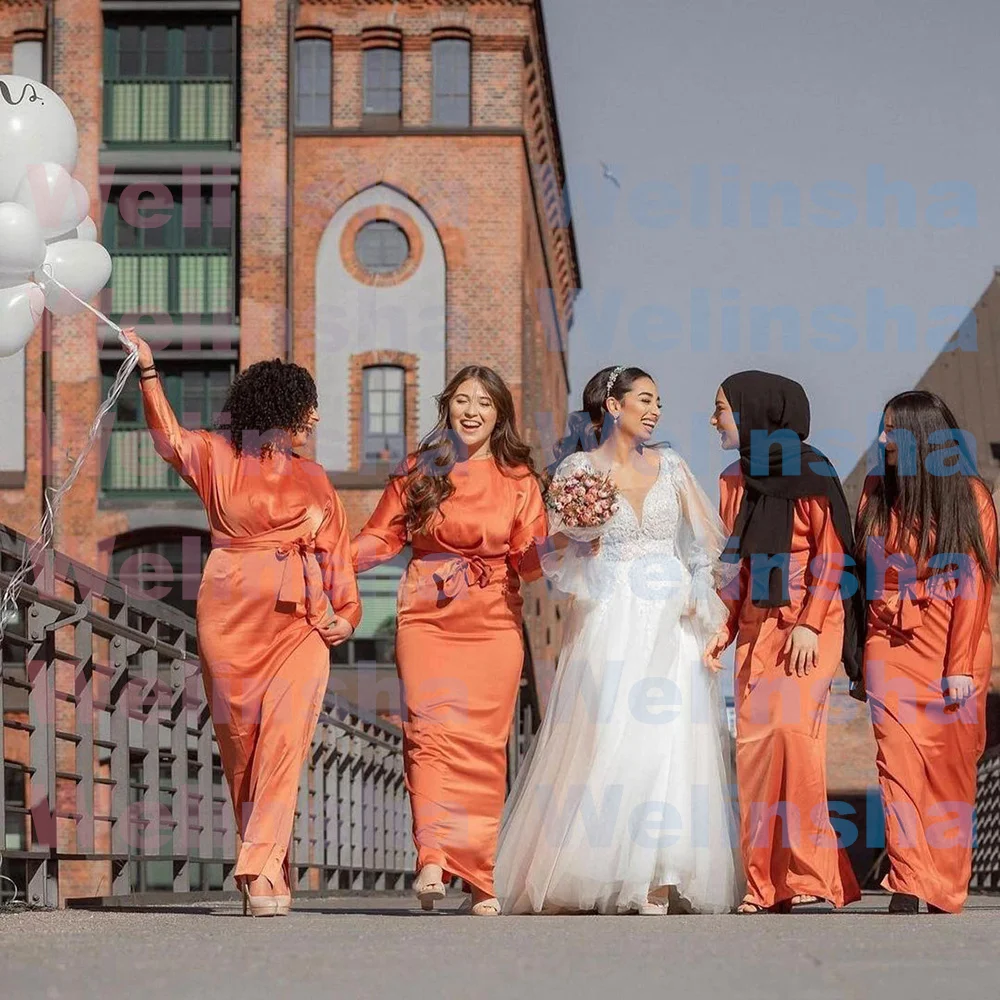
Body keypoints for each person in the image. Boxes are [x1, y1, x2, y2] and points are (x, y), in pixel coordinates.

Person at [121, 329, 360, 917]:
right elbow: (169, 440)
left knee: (285, 740)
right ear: (281, 408)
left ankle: (253, 868)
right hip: (230, 615)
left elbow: (338, 556)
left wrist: (346, 616)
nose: (316, 417)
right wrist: (149, 373)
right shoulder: (216, 455)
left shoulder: (317, 478)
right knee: (243, 750)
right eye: (308, 406)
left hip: (301, 625)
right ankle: (270, 869)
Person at [495, 366, 741, 915]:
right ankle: (596, 868)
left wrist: (705, 613)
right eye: (645, 399)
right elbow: (557, 554)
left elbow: (705, 549)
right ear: (613, 405)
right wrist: (581, 539)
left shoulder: (673, 467)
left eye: (659, 401)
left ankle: (657, 874)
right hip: (610, 611)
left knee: (669, 739)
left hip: (669, 612)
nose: (654, 410)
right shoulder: (578, 471)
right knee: (606, 732)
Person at [351, 365, 548, 916]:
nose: (472, 412)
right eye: (462, 400)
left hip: (493, 619)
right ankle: (433, 855)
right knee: (429, 731)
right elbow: (380, 536)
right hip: (427, 613)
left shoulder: (519, 480)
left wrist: (573, 544)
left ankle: (479, 874)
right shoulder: (420, 468)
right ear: (447, 406)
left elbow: (529, 564)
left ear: (499, 414)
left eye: (484, 403)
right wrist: (330, 559)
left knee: (483, 746)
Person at [705, 370, 863, 913]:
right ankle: (764, 885)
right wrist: (721, 631)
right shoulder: (732, 480)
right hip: (756, 624)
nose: (713, 419)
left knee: (793, 734)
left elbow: (832, 555)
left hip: (808, 620)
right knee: (754, 750)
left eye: (722, 408)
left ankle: (808, 874)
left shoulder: (813, 472)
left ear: (754, 413)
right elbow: (736, 569)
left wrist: (811, 622)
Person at [857, 391, 997, 914]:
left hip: (951, 642)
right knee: (896, 762)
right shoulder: (877, 489)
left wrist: (959, 666)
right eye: (882, 427)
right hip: (888, 640)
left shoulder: (970, 496)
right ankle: (909, 880)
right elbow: (860, 578)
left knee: (951, 769)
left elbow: (976, 586)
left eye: (893, 430)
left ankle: (943, 882)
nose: (882, 440)